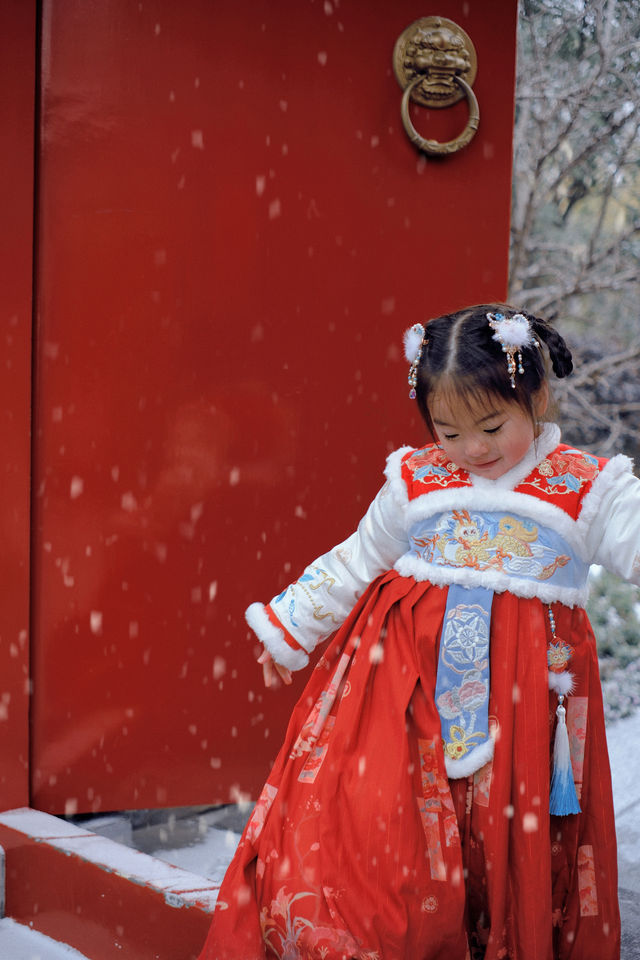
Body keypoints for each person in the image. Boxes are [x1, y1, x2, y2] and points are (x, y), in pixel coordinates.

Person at [199, 304, 637, 960]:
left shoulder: (586, 488)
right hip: (402, 690)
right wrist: (291, 625)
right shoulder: (415, 478)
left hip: (523, 701)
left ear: (536, 397)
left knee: (506, 837)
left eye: (491, 425)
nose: (472, 450)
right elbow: (356, 556)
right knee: (392, 834)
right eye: (449, 431)